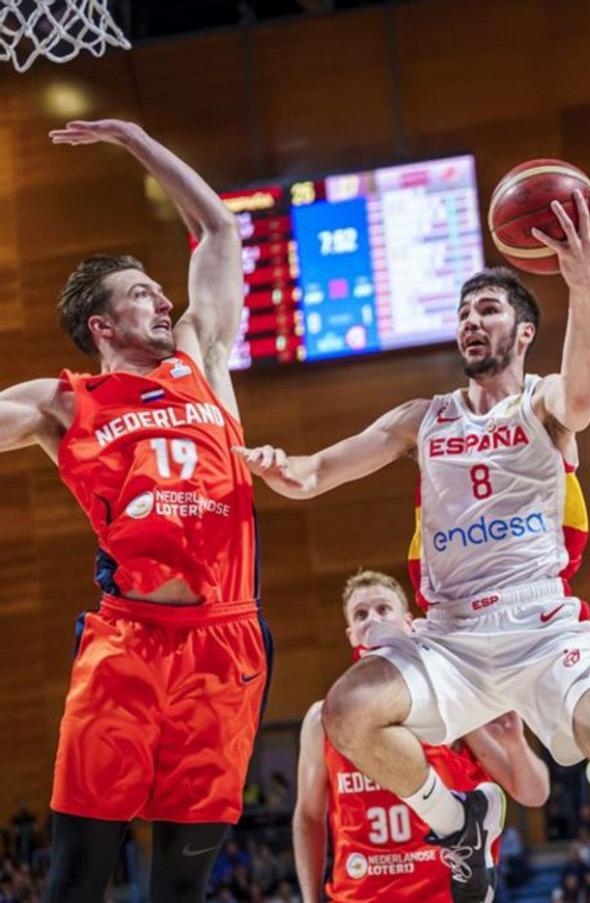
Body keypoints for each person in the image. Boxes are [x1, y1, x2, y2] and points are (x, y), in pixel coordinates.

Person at [239, 191, 590, 901]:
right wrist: (275, 465)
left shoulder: (542, 402)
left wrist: (583, 284)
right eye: (463, 312)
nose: (471, 321)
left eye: (488, 309)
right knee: (346, 710)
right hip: (451, 637)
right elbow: (315, 472)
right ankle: (456, 823)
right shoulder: (421, 419)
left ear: (523, 331)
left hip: (541, 627)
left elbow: (583, 398)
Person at [1, 119, 261, 901]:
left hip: (225, 643)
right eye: (141, 293)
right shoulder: (63, 403)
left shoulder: (202, 358)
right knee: (75, 881)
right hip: (127, 648)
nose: (162, 298)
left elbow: (218, 227)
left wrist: (136, 140)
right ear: (102, 326)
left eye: (160, 288)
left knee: (180, 891)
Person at [292, 569, 550, 901]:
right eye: (361, 614)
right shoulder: (322, 720)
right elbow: (309, 816)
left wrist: (515, 744)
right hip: (357, 895)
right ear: (352, 635)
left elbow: (533, 794)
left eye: (383, 609)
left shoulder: (448, 701)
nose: (373, 619)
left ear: (409, 623)